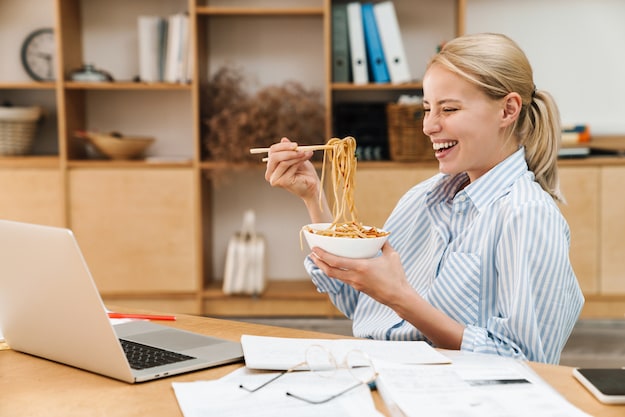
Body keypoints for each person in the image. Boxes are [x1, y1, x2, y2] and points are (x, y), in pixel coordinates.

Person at [263, 33, 584, 364]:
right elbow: (358, 301)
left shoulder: (527, 215)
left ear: (508, 110)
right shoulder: (422, 198)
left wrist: (400, 297)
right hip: (377, 369)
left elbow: (528, 363)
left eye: (449, 109)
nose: (429, 126)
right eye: (427, 109)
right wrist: (314, 197)